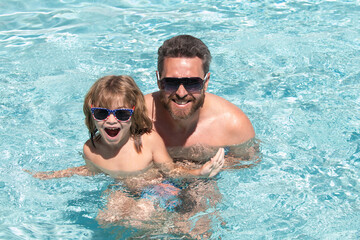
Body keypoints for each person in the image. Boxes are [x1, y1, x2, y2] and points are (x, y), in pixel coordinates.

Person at [27, 75, 225, 227]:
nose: (111, 120)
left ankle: (166, 230)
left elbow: (171, 171)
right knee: (106, 217)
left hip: (157, 187)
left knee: (141, 215)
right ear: (92, 112)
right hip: (123, 189)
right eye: (102, 113)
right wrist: (55, 175)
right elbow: (92, 171)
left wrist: (199, 173)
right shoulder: (91, 150)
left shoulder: (148, 142)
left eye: (121, 113)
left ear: (134, 112)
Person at [144, 34, 257, 168]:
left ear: (206, 82)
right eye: (171, 82)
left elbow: (249, 161)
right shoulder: (137, 117)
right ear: (158, 80)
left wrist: (198, 174)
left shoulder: (232, 124)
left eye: (192, 83)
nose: (181, 93)